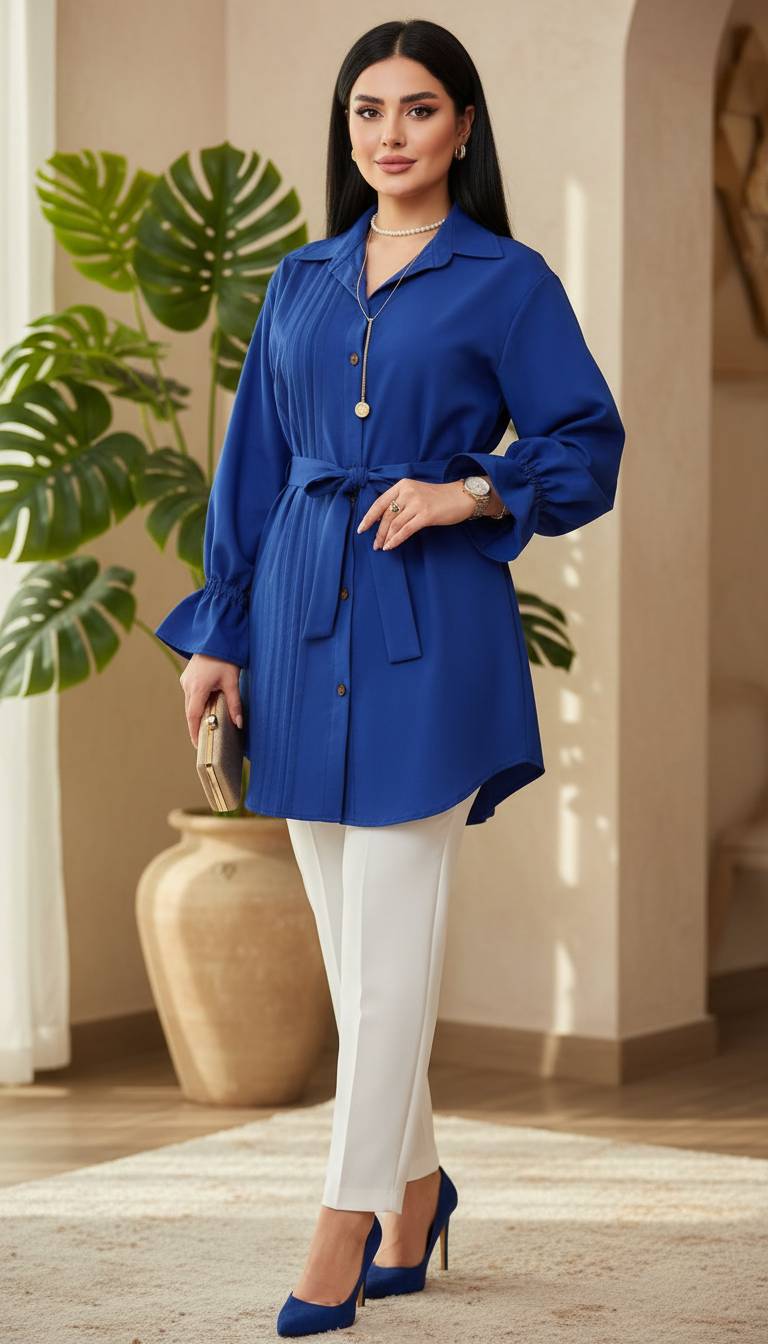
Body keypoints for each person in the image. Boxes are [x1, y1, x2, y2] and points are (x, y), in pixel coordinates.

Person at [153, 18, 626, 1339]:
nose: (391, 134)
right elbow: (251, 467)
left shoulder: (509, 281)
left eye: (419, 109)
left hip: (433, 632)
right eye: (369, 111)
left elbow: (587, 442)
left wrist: (469, 489)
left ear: (463, 127)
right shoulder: (301, 281)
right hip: (302, 620)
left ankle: (344, 1219)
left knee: (391, 947)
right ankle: (417, 1186)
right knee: (355, 950)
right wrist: (221, 635)